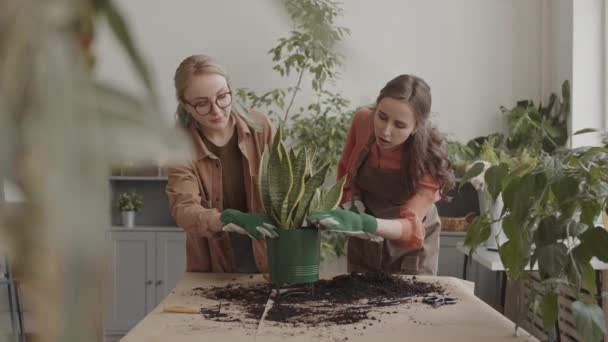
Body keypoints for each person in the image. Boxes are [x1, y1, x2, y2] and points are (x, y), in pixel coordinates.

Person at [308, 74, 455, 275]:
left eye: (400, 125)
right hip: (365, 237)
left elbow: (411, 227)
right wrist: (354, 206)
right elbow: (347, 172)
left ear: (416, 127)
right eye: (382, 116)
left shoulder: (430, 154)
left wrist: (365, 223)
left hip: (410, 246)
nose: (385, 131)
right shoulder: (362, 120)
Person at [166, 54, 277, 274]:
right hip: (214, 261)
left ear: (230, 90)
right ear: (185, 105)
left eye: (222, 96)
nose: (216, 110)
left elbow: (286, 186)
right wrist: (224, 219)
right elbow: (184, 208)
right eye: (201, 104)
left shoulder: (260, 127)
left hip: (268, 254)